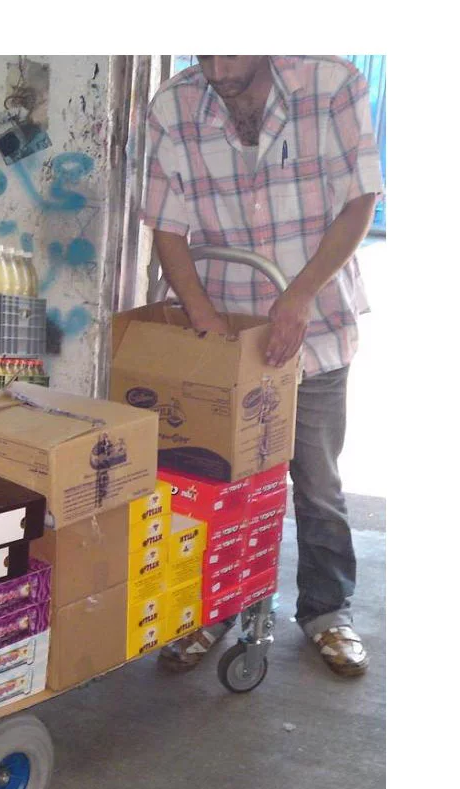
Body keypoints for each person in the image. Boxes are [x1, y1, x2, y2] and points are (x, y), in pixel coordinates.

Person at [142, 55, 384, 677]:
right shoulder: (173, 106)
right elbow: (166, 228)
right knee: (221, 484)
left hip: (314, 328)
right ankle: (213, 608)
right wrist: (203, 320)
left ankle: (327, 612)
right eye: (204, 50)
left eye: (230, 48)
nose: (216, 66)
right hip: (225, 331)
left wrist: (299, 296)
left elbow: (360, 201)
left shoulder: (332, 85)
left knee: (317, 483)